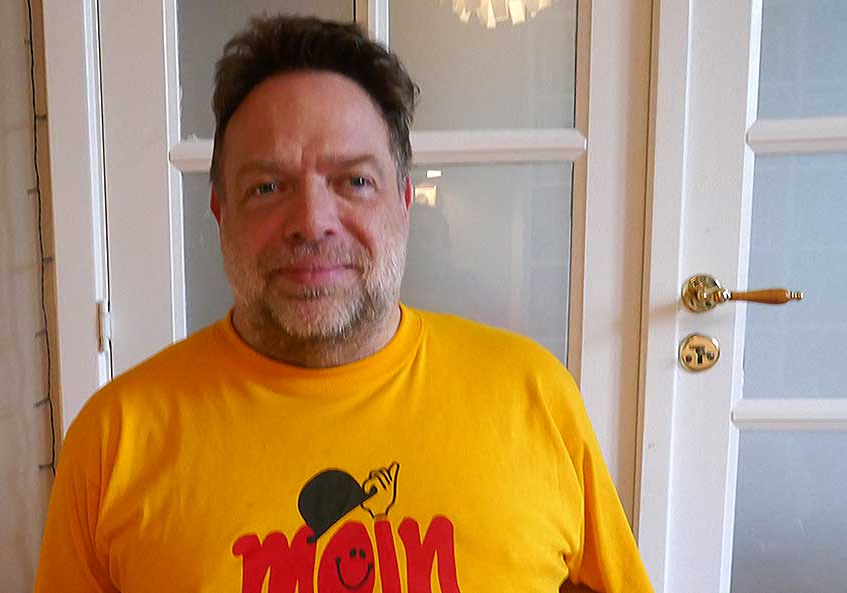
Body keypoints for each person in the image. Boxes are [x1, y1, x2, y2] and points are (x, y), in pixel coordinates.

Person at [34, 15, 654, 593]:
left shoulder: (535, 396)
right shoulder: (113, 441)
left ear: (403, 201)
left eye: (355, 181)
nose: (312, 222)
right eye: (267, 187)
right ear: (220, 211)